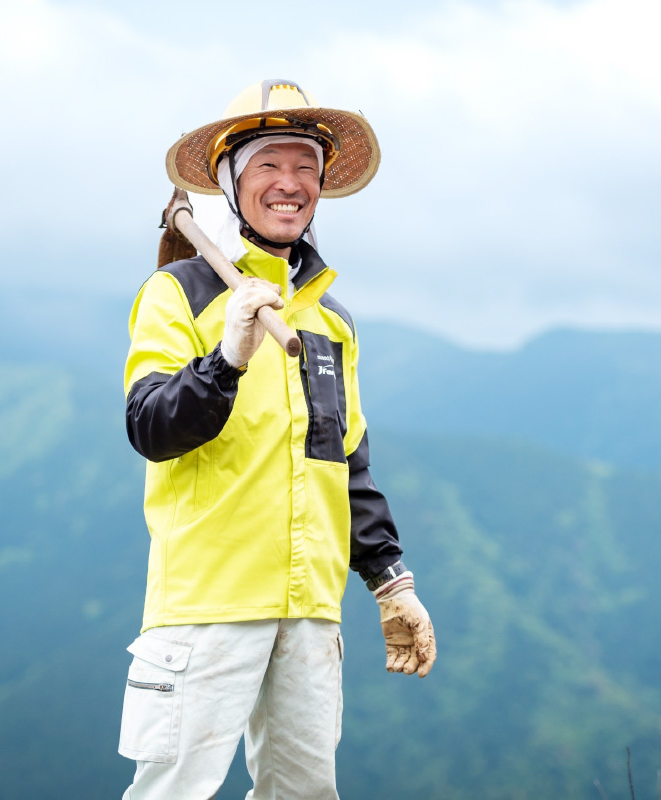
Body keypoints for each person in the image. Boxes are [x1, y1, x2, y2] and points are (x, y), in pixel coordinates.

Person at [119, 79, 436, 799]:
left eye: (306, 169)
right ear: (232, 182)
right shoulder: (181, 293)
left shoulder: (332, 322)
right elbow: (150, 427)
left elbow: (345, 462)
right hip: (207, 604)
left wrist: (392, 584)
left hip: (309, 610)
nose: (289, 184)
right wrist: (225, 358)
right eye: (269, 165)